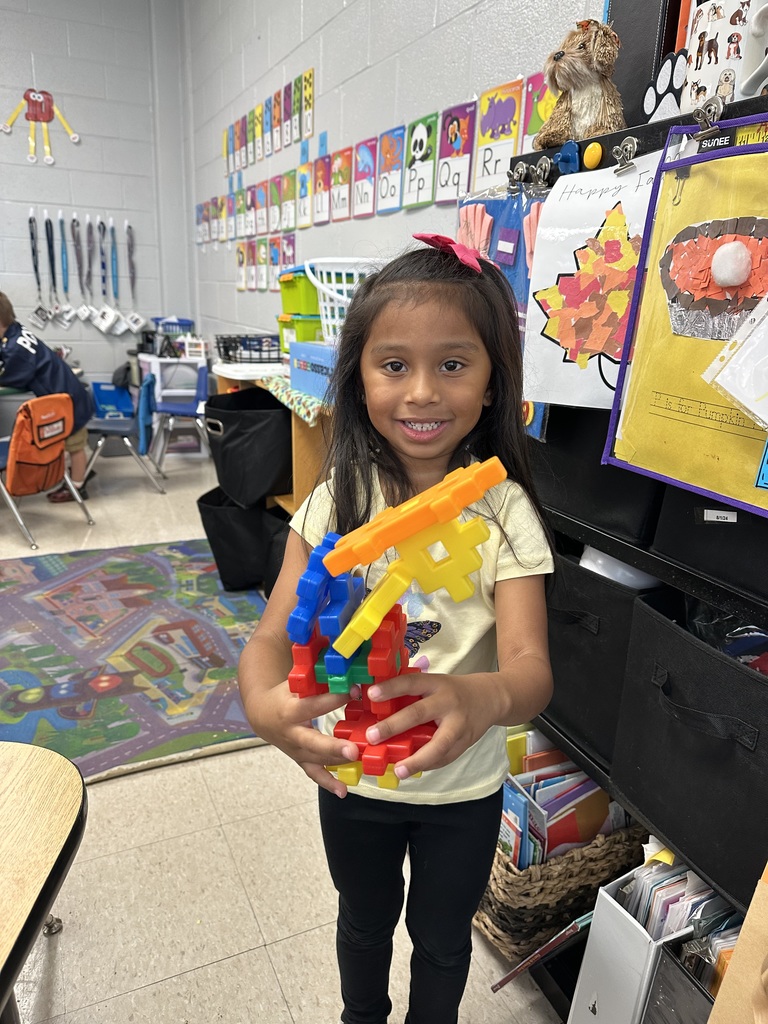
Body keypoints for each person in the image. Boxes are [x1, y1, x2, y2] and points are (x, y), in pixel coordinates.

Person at [238, 234, 555, 1024]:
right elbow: (274, 634)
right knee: (362, 922)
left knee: (444, 941)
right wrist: (264, 709)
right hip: (353, 775)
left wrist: (483, 695)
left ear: (491, 385)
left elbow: (530, 669)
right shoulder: (335, 498)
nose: (421, 392)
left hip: (464, 788)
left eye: (453, 364)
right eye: (393, 365)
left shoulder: (503, 510)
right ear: (360, 379)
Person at [0, 292, 95, 500]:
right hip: (69, 393)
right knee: (73, 443)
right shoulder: (16, 331)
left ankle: (78, 487)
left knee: (75, 445)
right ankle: (80, 472)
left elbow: (14, 377)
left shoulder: (13, 348)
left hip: (68, 401)